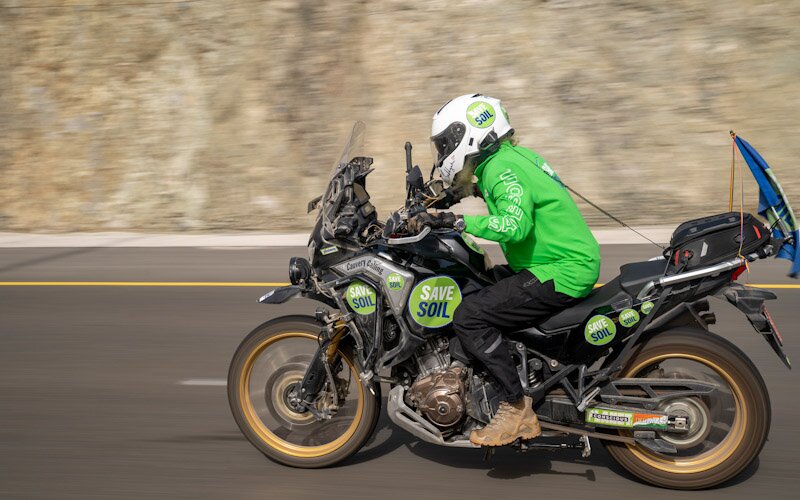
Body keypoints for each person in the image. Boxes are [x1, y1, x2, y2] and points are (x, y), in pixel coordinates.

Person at [408, 93, 601, 446]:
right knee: (474, 283)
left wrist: (456, 221)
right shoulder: (505, 159)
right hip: (550, 264)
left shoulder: (501, 168)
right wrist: (446, 198)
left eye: (445, 143)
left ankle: (515, 408)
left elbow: (514, 225)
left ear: (468, 134)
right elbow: (485, 188)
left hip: (561, 270)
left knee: (470, 316)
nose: (442, 152)